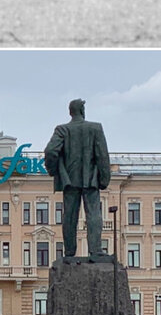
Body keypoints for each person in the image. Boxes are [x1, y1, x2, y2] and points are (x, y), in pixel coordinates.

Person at [43, 98, 112, 261]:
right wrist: (104, 178)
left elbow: (50, 151)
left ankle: (69, 252)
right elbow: (103, 156)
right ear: (82, 111)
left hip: (69, 179)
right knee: (93, 213)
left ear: (70, 112)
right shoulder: (95, 128)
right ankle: (95, 250)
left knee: (69, 215)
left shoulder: (62, 130)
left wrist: (54, 171)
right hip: (91, 179)